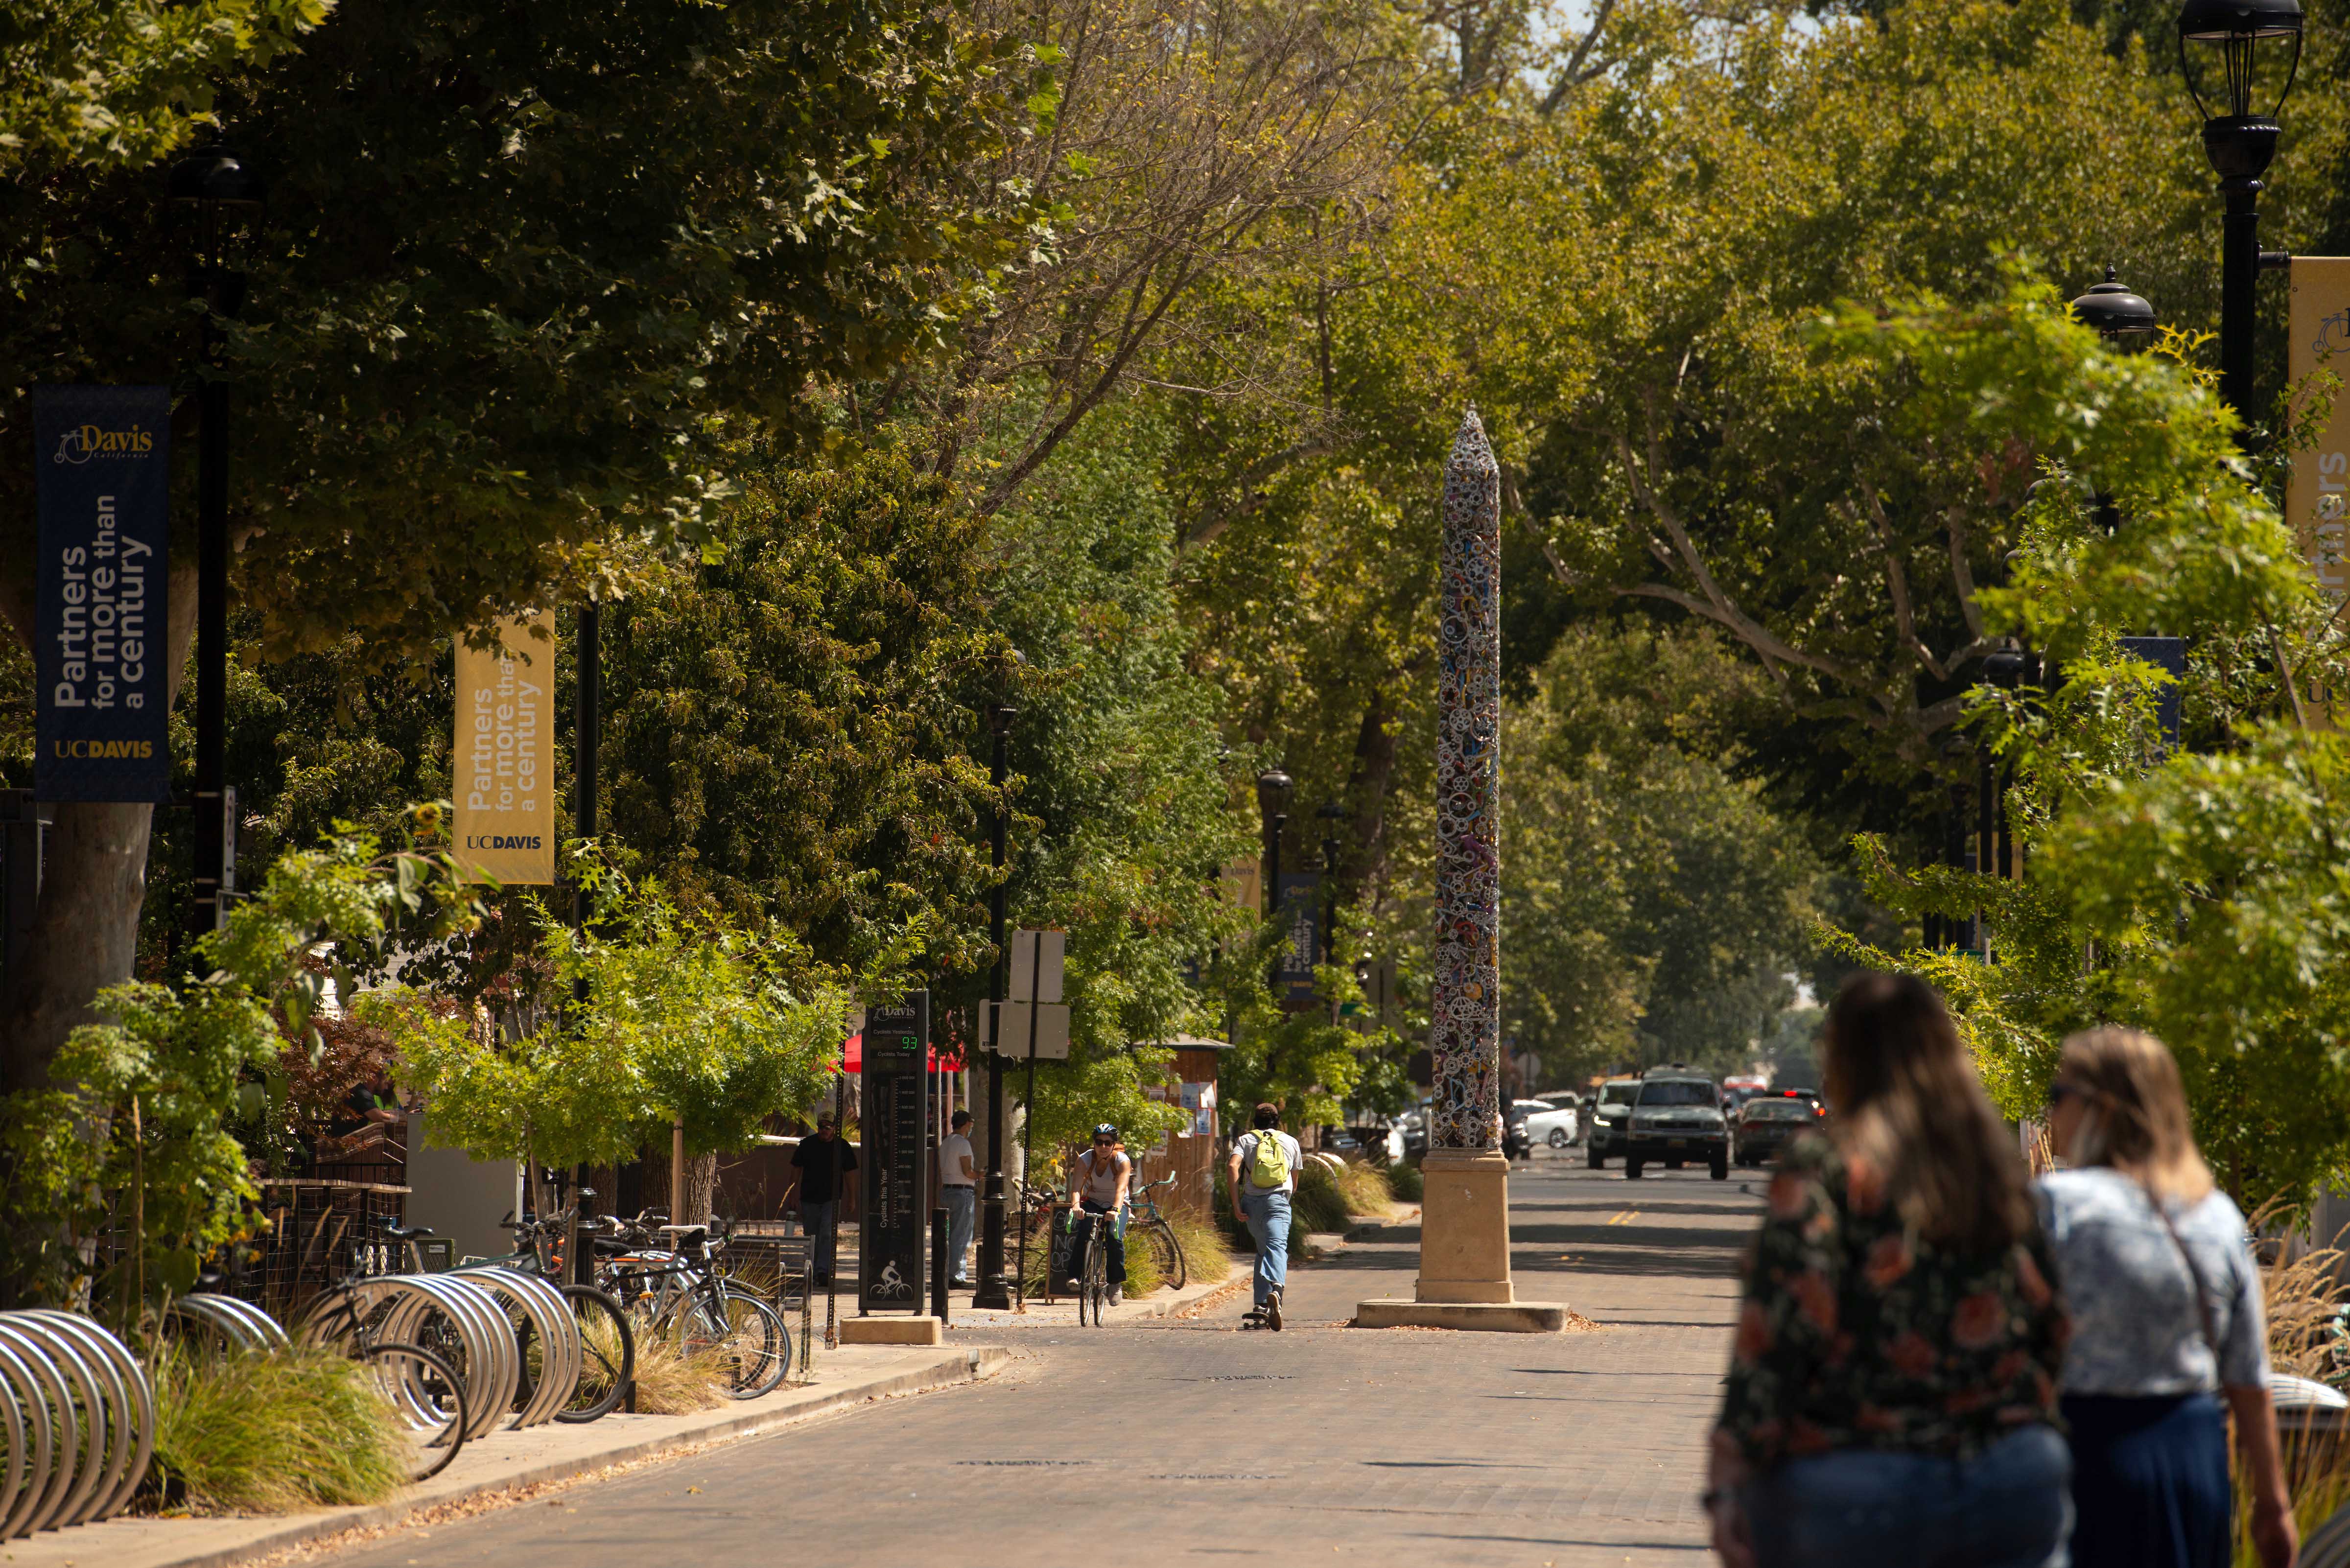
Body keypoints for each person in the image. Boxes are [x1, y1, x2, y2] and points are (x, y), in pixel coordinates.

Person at [1707, 972, 2072, 1568]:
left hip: (1856, 1478)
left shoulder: (1824, 1168)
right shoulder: (1996, 1171)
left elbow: (1778, 1333)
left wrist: (1728, 1475)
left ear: (1844, 1059)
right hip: (2009, 1473)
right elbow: (2053, 1321)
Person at [2039, 1026, 2296, 1568]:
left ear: (2100, 1108)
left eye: (2059, 1096)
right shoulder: (2217, 1214)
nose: (2050, 1113)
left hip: (2084, 1454)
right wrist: (2273, 1504)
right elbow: (2249, 1375)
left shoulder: (2058, 1206)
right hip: (2193, 1458)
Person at [1227, 1103, 1301, 1331]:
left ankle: (1261, 1304)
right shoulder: (1290, 1142)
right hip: (1278, 1201)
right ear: (1278, 1121)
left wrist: (1236, 1203)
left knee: (1263, 1250)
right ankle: (1276, 1290)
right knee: (1276, 1247)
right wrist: (1286, 1197)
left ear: (1255, 1120)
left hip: (1251, 1205)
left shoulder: (1246, 1140)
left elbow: (1232, 1166)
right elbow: (1295, 1179)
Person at [782, 1113, 857, 1287]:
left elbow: (851, 1174)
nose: (824, 1130)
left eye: (828, 1127)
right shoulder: (807, 1145)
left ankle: (823, 1271)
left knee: (827, 1234)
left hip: (832, 1199)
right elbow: (796, 1169)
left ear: (834, 1128)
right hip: (809, 1198)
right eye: (821, 1127)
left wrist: (852, 1198)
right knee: (812, 1235)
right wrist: (791, 1194)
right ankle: (812, 1270)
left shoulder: (842, 1147)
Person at [1064, 1123, 1131, 1301]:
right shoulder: (1085, 1160)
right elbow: (1076, 1188)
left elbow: (1121, 1190)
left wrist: (1116, 1210)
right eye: (1099, 1142)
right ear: (1094, 1143)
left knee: (1113, 1236)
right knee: (1084, 1231)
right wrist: (1076, 1206)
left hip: (1117, 1203)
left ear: (1114, 1144)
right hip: (1093, 1201)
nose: (1103, 1147)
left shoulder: (1122, 1161)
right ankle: (1075, 1276)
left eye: (1108, 1143)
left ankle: (1115, 1283)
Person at [941, 1109, 978, 1289]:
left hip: (947, 1190)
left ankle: (949, 1272)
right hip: (963, 1193)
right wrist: (982, 1174)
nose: (971, 1128)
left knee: (951, 1235)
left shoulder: (946, 1142)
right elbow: (968, 1172)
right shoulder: (963, 1144)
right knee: (961, 1236)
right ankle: (956, 1276)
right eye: (970, 1124)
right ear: (965, 1124)